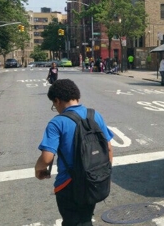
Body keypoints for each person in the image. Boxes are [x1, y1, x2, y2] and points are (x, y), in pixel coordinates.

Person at [35, 79, 114, 225]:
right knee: (85, 218)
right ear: (77, 96)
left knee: (71, 221)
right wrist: (103, 174)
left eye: (54, 104)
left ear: (57, 100)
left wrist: (38, 170)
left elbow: (46, 158)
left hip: (68, 184)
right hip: (93, 181)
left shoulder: (57, 123)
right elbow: (108, 148)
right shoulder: (95, 115)